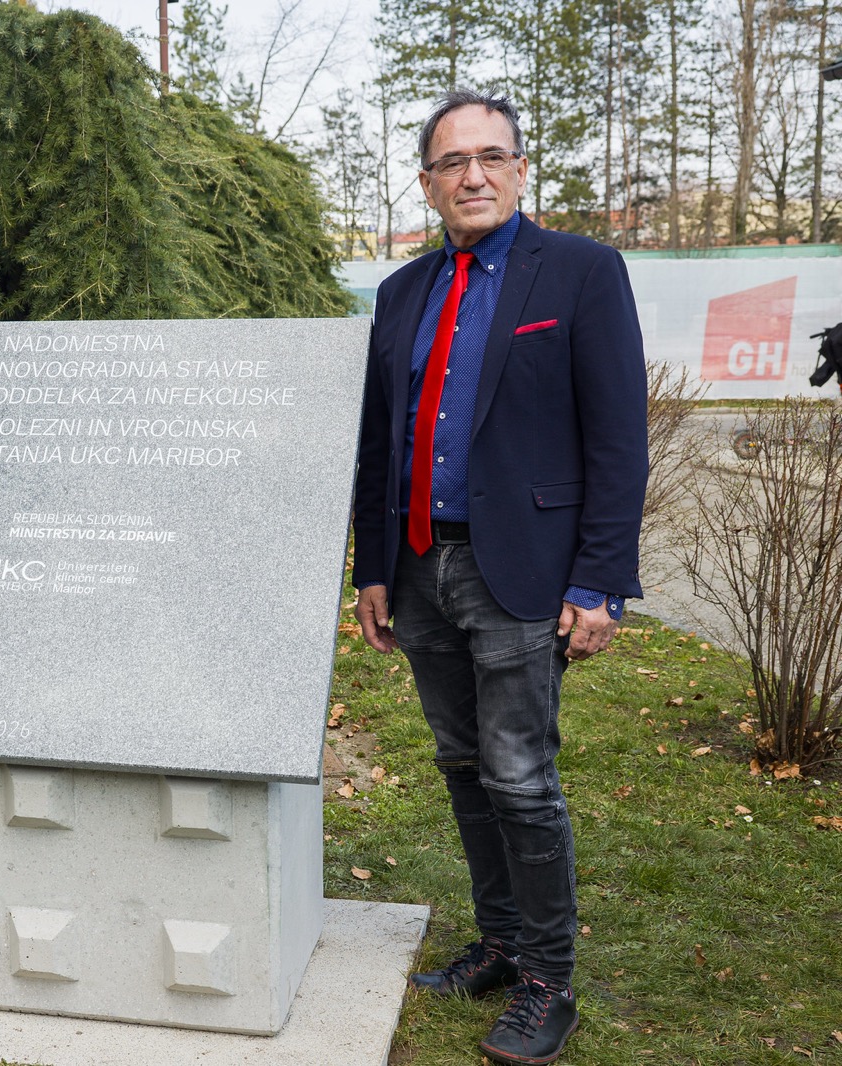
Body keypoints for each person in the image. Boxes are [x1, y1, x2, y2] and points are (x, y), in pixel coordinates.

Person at [352, 88, 647, 1066]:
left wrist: (601, 579)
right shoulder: (400, 295)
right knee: (461, 765)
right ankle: (498, 944)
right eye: (450, 162)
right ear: (428, 183)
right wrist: (373, 567)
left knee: (520, 776)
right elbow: (376, 445)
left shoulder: (581, 274)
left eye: (489, 157)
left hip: (522, 572)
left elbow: (616, 438)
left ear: (521, 169)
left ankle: (547, 984)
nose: (470, 175)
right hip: (421, 565)